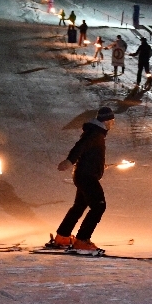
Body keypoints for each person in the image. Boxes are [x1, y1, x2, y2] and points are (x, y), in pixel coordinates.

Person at [51, 106, 116, 254]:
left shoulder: (96, 133)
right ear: (106, 121)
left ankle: (62, 237)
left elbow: (89, 153)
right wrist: (69, 160)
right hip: (87, 176)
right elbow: (80, 146)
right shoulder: (95, 133)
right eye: (112, 121)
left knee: (79, 206)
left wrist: (100, 165)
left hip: (84, 174)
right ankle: (82, 240)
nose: (113, 124)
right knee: (99, 206)